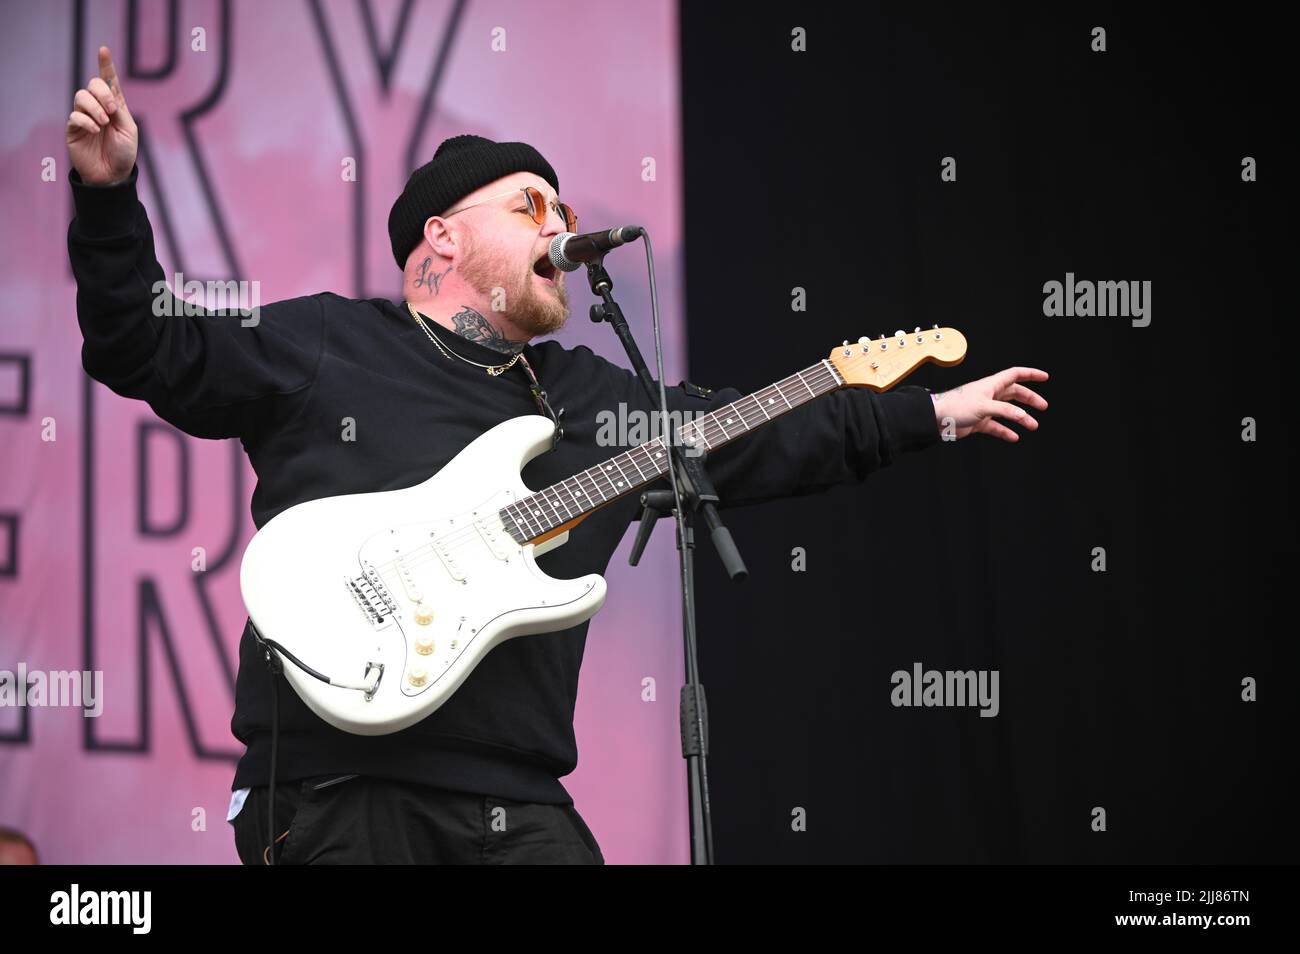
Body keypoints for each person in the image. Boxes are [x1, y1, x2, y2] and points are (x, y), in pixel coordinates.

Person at [65, 47, 1049, 865]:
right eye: (532, 205)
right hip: (334, 792)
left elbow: (753, 431)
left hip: (517, 803)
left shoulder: (581, 393)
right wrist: (110, 203)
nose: (561, 226)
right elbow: (148, 349)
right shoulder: (332, 341)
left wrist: (926, 415)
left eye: (564, 212)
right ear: (439, 242)